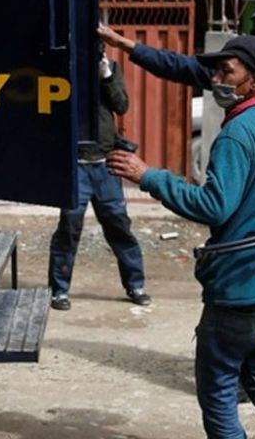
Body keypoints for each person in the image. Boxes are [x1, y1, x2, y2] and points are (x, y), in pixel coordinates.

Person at [99, 0, 255, 406]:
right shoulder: (233, 68)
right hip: (245, 202)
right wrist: (125, 45)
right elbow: (173, 65)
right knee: (251, 283)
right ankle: (251, 371)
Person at [47, 46, 150, 311]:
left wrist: (106, 75)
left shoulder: (110, 69)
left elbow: (122, 105)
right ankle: (59, 290)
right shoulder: (62, 71)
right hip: (76, 165)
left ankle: (135, 284)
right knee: (69, 228)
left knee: (118, 226)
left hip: (105, 165)